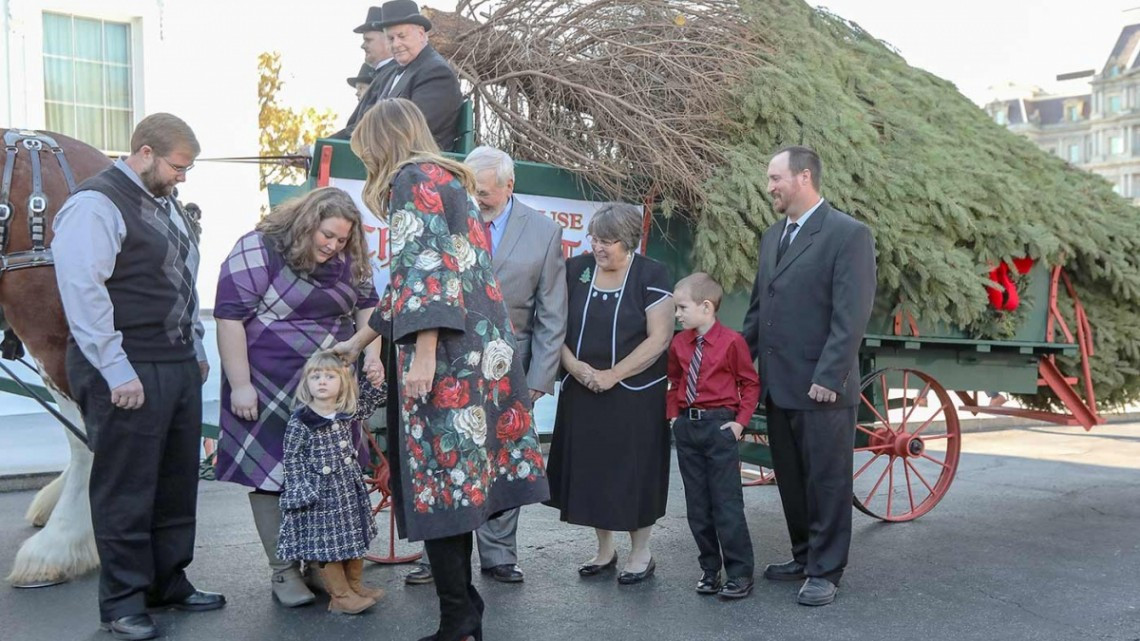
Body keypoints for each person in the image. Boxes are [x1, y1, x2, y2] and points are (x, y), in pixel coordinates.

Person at [335, 98, 549, 641]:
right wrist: (359, 341)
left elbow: (427, 275)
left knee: (439, 483)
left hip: (447, 359)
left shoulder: (412, 180)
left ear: (383, 143)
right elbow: (421, 280)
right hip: (481, 357)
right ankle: (463, 611)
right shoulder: (448, 180)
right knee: (456, 485)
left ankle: (459, 618)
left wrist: (423, 357)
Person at [53, 113, 224, 640]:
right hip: (124, 364)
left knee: (175, 482)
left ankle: (166, 581)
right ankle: (122, 602)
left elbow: (182, 282)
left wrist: (195, 347)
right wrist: (114, 368)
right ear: (145, 153)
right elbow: (84, 291)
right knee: (126, 487)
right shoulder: (94, 204)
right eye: (178, 166)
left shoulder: (165, 204)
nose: (183, 177)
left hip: (172, 362)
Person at [405, 146, 567, 586]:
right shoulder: (449, 213)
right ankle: (436, 555)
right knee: (445, 459)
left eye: (486, 193)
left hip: (508, 366)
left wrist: (538, 379)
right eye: (470, 190)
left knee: (502, 457)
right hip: (451, 363)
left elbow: (552, 314)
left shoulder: (545, 232)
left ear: (510, 185)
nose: (476, 200)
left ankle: (498, 555)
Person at [213, 187, 381, 608]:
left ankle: (319, 566)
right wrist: (240, 385)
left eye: (342, 239)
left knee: (328, 474)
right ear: (307, 223)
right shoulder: (259, 247)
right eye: (327, 235)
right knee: (271, 475)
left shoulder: (352, 257)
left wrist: (371, 358)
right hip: (266, 383)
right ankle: (283, 571)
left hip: (330, 386)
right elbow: (229, 317)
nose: (333, 245)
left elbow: (369, 308)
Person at [741, 145, 877, 606]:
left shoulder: (847, 234)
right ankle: (803, 555)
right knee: (792, 479)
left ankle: (826, 570)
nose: (770, 187)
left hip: (822, 389)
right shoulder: (772, 237)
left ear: (803, 178)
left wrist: (830, 374)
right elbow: (761, 312)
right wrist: (741, 369)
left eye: (775, 178)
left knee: (827, 481)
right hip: (779, 387)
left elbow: (851, 316)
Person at [545, 203, 675, 584]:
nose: (599, 248)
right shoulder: (576, 270)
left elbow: (660, 338)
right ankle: (605, 550)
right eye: (595, 239)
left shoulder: (652, 275)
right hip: (583, 387)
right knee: (592, 472)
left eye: (608, 242)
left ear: (630, 241)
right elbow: (555, 326)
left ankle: (641, 552)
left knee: (632, 473)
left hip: (634, 392)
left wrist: (614, 375)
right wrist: (574, 367)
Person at [667, 273, 760, 600]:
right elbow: (676, 382)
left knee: (726, 504)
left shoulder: (733, 342)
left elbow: (750, 384)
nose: (677, 314)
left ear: (706, 307)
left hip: (720, 426)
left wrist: (739, 424)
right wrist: (674, 418)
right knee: (698, 506)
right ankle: (710, 569)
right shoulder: (679, 343)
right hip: (688, 429)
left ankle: (739, 573)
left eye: (682, 307)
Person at [276, 351, 386, 615]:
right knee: (328, 546)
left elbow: (370, 403)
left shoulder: (345, 410)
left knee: (353, 537)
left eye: (329, 376)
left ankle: (355, 586)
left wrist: (375, 382)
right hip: (320, 495)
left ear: (342, 382)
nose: (322, 382)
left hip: (347, 489)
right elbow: (292, 458)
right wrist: (302, 490)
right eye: (315, 377)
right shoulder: (301, 421)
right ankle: (340, 596)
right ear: (307, 383)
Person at [332, 0, 462, 151]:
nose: (395, 44)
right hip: (388, 161)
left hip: (417, 167)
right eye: (391, 38)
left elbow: (409, 130)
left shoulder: (436, 73)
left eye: (402, 36)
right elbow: (368, 123)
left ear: (421, 34)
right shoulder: (393, 73)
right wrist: (323, 146)